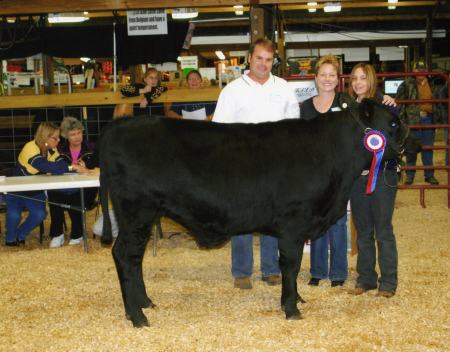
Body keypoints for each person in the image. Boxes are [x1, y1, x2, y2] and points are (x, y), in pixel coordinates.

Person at [213, 38, 299, 289]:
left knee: (273, 216)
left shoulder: (283, 87)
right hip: (242, 165)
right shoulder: (232, 90)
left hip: (276, 165)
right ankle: (242, 271)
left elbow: (293, 127)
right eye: (259, 58)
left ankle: (271, 269)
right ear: (249, 58)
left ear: (274, 61)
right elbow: (219, 131)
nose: (263, 63)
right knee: (241, 215)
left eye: (269, 59)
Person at [348, 62, 399, 297]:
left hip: (383, 173)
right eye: (355, 78)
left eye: (363, 78)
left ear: (371, 80)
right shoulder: (348, 108)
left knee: (383, 229)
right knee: (363, 229)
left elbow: (396, 141)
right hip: (357, 177)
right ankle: (366, 278)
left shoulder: (386, 106)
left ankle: (388, 282)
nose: (358, 82)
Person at [300, 55, 349, 287]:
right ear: (316, 78)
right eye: (323, 75)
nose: (327, 79)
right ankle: (317, 272)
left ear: (338, 79)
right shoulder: (306, 107)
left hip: (339, 173)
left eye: (332, 75)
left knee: (337, 221)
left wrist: (384, 98)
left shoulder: (347, 102)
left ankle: (338, 273)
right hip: (312, 173)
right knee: (317, 219)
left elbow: (369, 107)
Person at [4, 122, 69, 246]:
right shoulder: (30, 147)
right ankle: (10, 239)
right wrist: (52, 168)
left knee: (40, 214)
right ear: (45, 137)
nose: (59, 140)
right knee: (13, 216)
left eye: (58, 137)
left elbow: (63, 166)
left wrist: (53, 168)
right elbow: (44, 166)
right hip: (16, 190)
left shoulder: (52, 149)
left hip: (35, 191)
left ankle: (20, 234)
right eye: (55, 138)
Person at [48, 117, 97, 248]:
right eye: (72, 134)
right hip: (64, 186)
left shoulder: (92, 148)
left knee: (75, 196)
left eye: (79, 133)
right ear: (65, 136)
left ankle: (77, 234)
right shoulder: (59, 150)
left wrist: (86, 169)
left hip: (86, 189)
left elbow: (101, 170)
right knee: (53, 195)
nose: (77, 137)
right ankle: (57, 234)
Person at [396, 59, 440, 185]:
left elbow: (438, 101)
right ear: (414, 71)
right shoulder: (406, 84)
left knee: (428, 148)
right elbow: (399, 104)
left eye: (423, 69)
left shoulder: (432, 84)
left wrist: (437, 117)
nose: (420, 72)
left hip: (428, 119)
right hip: (413, 120)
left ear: (426, 71)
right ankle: (410, 175)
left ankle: (429, 175)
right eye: (418, 69)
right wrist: (402, 121)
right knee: (411, 148)